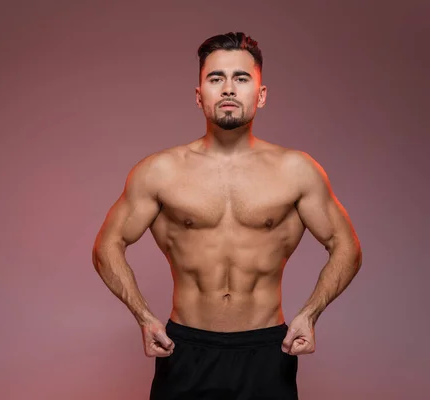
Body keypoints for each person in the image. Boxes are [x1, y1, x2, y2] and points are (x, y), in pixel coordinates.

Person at [92, 31, 362, 399]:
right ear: (199, 94)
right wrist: (143, 316)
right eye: (216, 78)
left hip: (267, 351)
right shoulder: (160, 171)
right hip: (185, 350)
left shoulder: (297, 170)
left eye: (242, 78)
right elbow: (107, 244)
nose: (229, 89)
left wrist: (310, 314)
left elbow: (345, 245)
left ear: (261, 95)